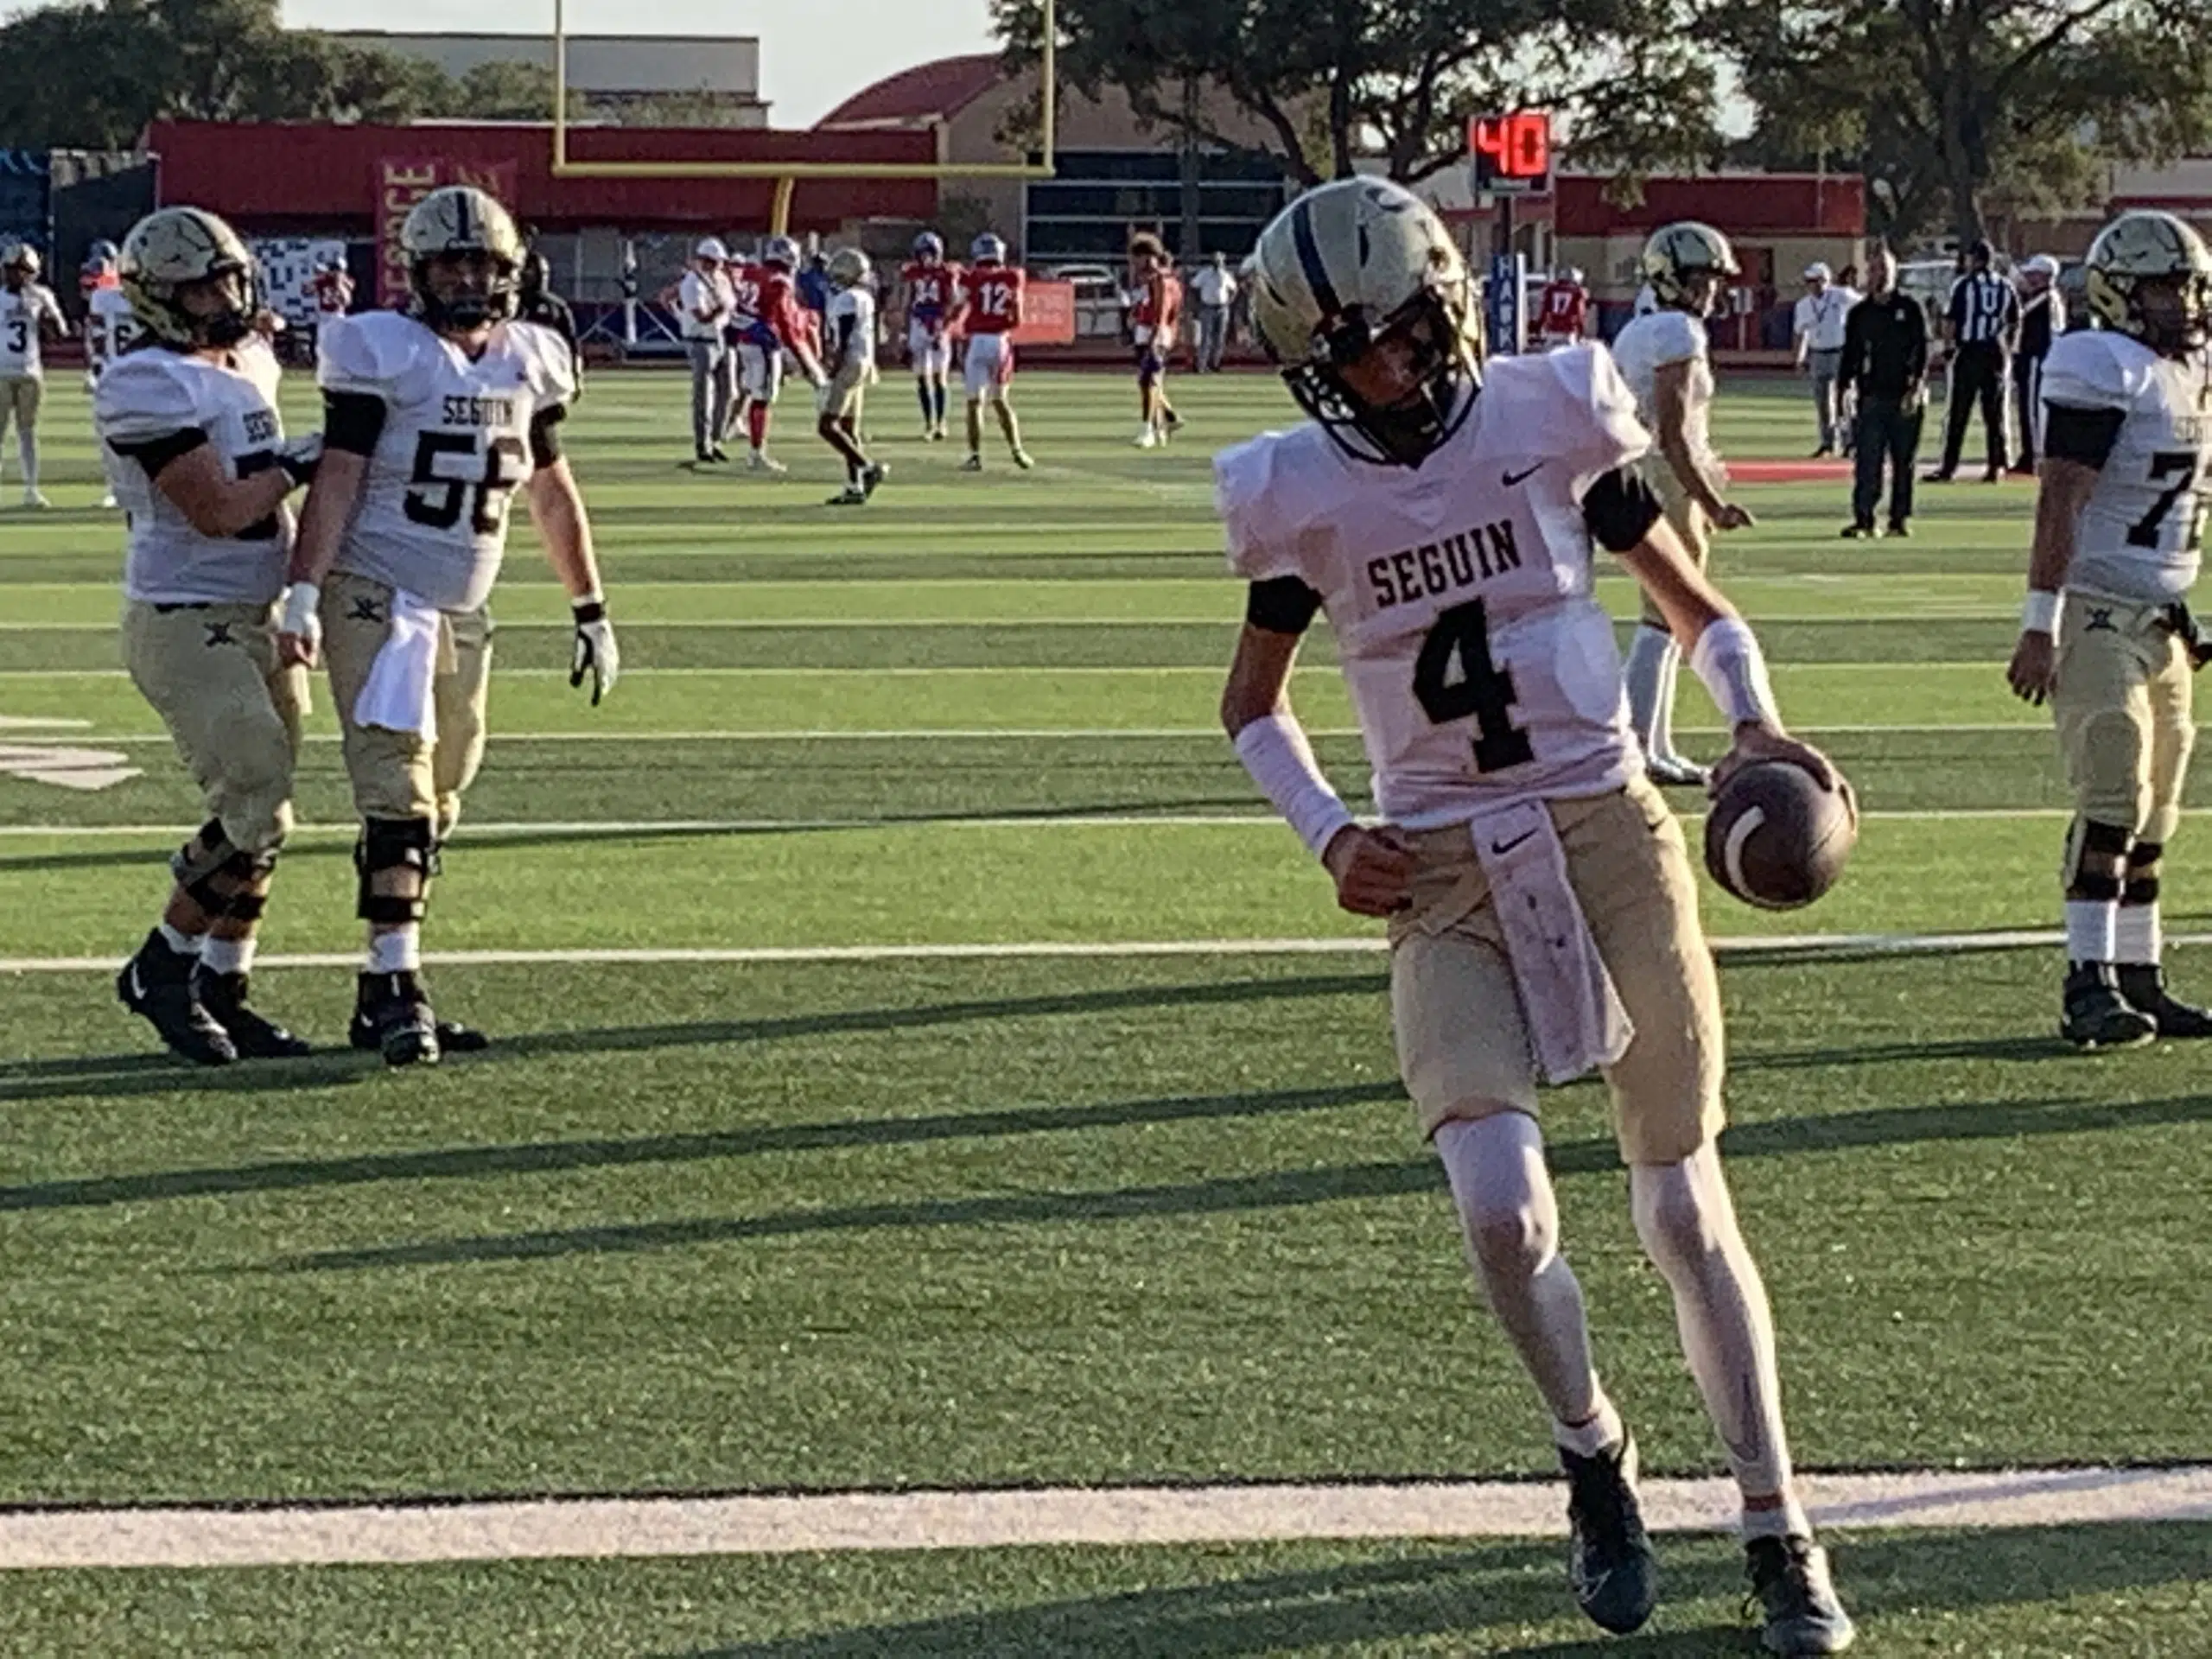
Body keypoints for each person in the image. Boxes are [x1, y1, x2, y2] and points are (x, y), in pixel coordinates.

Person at [1217, 175, 1855, 1656]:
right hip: (1441, 868)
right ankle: (1595, 1454)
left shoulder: (1548, 416)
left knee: (1686, 1204)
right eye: (1347, 355)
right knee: (1503, 1215)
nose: (1383, 373)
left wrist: (1754, 725)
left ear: (1439, 304)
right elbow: (1250, 707)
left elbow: (1697, 612)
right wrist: (1328, 835)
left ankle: (1779, 1526)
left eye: (1394, 337)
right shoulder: (1295, 488)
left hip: (1607, 831)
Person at [276, 184, 620, 1067]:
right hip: (376, 595)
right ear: (418, 271)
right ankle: (399, 985)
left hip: (463, 611)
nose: (469, 278)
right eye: (452, 263)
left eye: (484, 263)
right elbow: (341, 478)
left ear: (511, 271)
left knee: (445, 796)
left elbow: (548, 488)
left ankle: (372, 981)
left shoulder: (534, 357)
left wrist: (590, 606)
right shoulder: (380, 349)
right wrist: (304, 591)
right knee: (399, 791)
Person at [101, 207, 323, 1066]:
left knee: (269, 817)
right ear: (158, 298)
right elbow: (220, 507)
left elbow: (267, 504)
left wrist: (298, 603)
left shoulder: (248, 360)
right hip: (183, 617)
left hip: (257, 614)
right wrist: (303, 459)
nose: (221, 297)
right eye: (200, 285)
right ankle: (163, 966)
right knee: (255, 797)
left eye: (228, 278)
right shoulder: (144, 382)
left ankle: (223, 989)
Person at [2005, 209, 2212, 1051]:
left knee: (2158, 804)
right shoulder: (2099, 361)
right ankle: (2084, 983)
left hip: (2160, 617)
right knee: (2112, 788)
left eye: (2189, 286)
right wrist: (2037, 624)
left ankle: (2139, 974)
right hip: (2093, 607)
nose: (2183, 304)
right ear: (2119, 291)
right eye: (2165, 287)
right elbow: (2062, 494)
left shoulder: (2191, 370)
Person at [1611, 222, 1758, 789]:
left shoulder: (1641, 329)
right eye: (1703, 279)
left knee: (1667, 620)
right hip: (1664, 478)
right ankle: (1641, 746)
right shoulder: (1676, 333)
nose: (1712, 291)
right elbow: (1674, 436)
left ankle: (1654, 743)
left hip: (1645, 474)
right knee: (1665, 618)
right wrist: (1713, 503)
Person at [1836, 247, 1929, 539]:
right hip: (1871, 395)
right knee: (1868, 459)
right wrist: (1842, 389)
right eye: (1876, 270)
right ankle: (1864, 518)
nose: (1881, 276)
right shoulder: (1860, 314)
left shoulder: (1910, 309)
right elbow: (1850, 355)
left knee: (1904, 461)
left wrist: (1915, 387)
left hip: (1904, 395)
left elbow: (1921, 351)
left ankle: (1899, 519)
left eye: (1886, 270)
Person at [731, 237, 824, 476]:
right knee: (763, 398)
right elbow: (785, 324)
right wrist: (804, 359)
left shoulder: (752, 273)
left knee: (754, 392)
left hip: (745, 339)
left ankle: (736, 428)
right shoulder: (779, 282)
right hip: (763, 342)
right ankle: (756, 453)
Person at [1929, 238, 2021, 481]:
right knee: (1994, 413)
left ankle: (1949, 467)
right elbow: (2015, 320)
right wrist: (2009, 348)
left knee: (1959, 412)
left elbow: (1951, 320)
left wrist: (1948, 348)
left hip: (1970, 350)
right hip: (1995, 350)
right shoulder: (2005, 285)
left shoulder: (1964, 285)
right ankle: (1995, 465)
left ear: (1975, 259)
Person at [953, 232, 1033, 472]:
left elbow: (959, 305)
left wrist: (951, 326)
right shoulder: (1013, 276)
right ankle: (1017, 449)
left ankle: (975, 455)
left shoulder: (973, 278)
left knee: (974, 403)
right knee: (1001, 401)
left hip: (977, 342)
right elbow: (1017, 317)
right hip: (1001, 341)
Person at [0, 244, 67, 507]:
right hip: (2, 370)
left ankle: (31, 488)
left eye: (20, 270)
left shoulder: (41, 296)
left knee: (27, 432)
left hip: (29, 370)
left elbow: (59, 332)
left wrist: (43, 318)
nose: (14, 275)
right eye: (11, 270)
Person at [819, 248, 887, 506]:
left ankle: (868, 468)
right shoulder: (865, 297)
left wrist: (834, 364)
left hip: (851, 361)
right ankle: (854, 486)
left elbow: (844, 336)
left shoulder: (846, 298)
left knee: (827, 426)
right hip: (865, 361)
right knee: (849, 428)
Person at [82, 240, 137, 509]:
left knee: (113, 435)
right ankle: (120, 489)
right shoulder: (108, 296)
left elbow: (97, 337)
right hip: (128, 370)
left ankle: (120, 489)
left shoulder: (102, 297)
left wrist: (95, 368)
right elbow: (97, 336)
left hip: (121, 371)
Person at [1792, 263, 1858, 457]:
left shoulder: (1841, 295)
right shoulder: (1804, 305)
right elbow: (1799, 332)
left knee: (1844, 399)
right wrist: (1799, 359)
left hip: (1840, 352)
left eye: (1815, 281)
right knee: (1822, 401)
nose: (1811, 285)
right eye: (1809, 281)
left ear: (1825, 281)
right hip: (1818, 353)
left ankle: (1850, 441)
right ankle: (1828, 442)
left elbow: (1863, 306)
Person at [679, 238, 735, 465]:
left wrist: (723, 308)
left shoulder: (721, 280)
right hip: (700, 340)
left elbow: (731, 305)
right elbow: (701, 317)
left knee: (729, 391)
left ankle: (716, 439)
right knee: (704, 395)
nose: (717, 266)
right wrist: (718, 310)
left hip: (721, 337)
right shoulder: (691, 284)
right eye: (712, 262)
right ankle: (703, 445)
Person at [2009, 254, 2066, 474]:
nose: (2029, 277)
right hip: (2029, 358)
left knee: (2034, 411)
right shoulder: (2038, 298)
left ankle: (2034, 456)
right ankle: (2029, 453)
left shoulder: (2048, 299)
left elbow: (2051, 333)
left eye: (2033, 273)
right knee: (2026, 409)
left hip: (2038, 359)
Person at [900, 232, 960, 440]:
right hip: (918, 324)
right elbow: (907, 301)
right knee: (921, 377)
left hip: (938, 326)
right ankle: (929, 423)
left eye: (929, 254)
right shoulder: (912, 273)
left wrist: (943, 326)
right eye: (922, 254)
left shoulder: (947, 273)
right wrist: (904, 331)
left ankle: (941, 423)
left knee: (939, 377)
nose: (926, 258)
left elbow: (952, 302)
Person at [1128, 233, 1184, 448]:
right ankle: (1168, 419)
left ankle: (1149, 430)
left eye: (1137, 258)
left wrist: (1155, 334)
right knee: (1150, 381)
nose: (1135, 264)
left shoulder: (1161, 280)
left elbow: (1163, 309)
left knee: (1148, 381)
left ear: (1148, 256)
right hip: (1157, 333)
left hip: (1155, 334)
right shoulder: (1163, 280)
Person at [518, 250, 581, 393]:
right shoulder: (514, 303)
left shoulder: (557, 306)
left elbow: (571, 343)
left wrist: (576, 375)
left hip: (547, 367)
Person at [1191, 250, 1238, 372]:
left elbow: (1234, 289)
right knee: (1206, 338)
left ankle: (1214, 364)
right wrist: (1198, 302)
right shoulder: (1205, 274)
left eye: (1220, 261)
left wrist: (1228, 302)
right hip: (1208, 307)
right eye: (1216, 261)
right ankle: (1202, 365)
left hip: (1222, 308)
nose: (1218, 263)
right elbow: (1194, 286)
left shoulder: (1225, 275)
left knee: (1219, 338)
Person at [308, 253, 354, 361]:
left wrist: (340, 285)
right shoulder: (324, 280)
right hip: (325, 313)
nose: (334, 272)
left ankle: (339, 360)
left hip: (337, 313)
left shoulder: (344, 281)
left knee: (338, 339)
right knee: (323, 339)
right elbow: (307, 290)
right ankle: (324, 361)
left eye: (336, 270)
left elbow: (347, 301)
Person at [1535, 265, 1589, 350]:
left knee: (1548, 358)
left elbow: (1544, 311)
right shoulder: (1577, 292)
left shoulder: (1550, 289)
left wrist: (1538, 327)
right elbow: (1580, 315)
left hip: (1552, 330)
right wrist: (1581, 333)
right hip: (1568, 331)